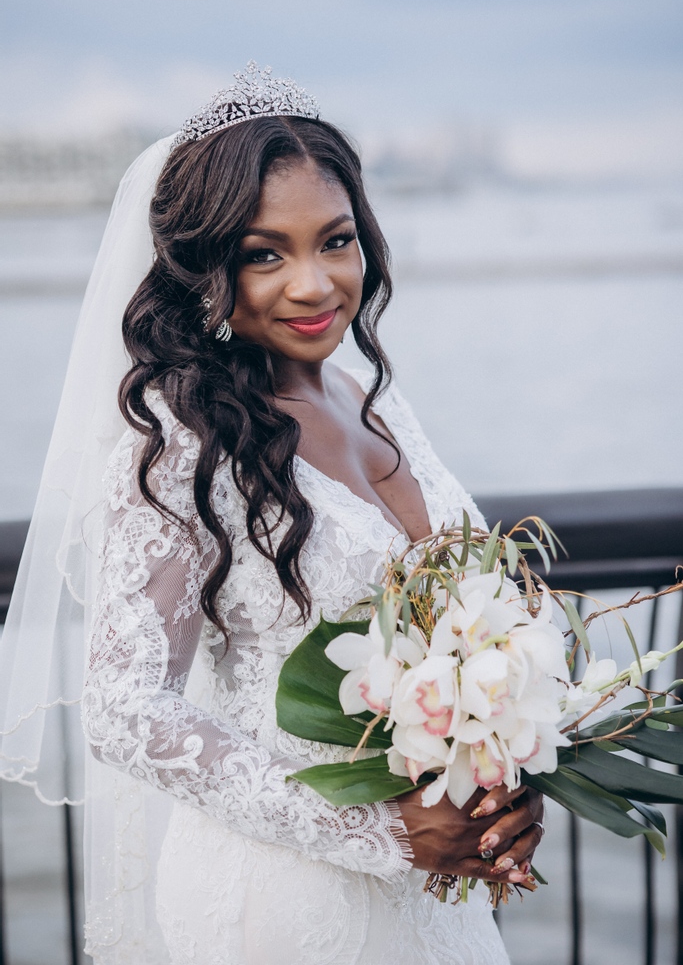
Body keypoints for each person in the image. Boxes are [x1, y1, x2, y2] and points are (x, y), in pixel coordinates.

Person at [0, 64, 542, 964]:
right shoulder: (178, 440)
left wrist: (501, 784)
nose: (313, 284)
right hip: (288, 897)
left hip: (430, 885)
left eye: (334, 241)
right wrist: (381, 836)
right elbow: (126, 710)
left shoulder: (366, 395)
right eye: (264, 253)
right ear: (205, 265)